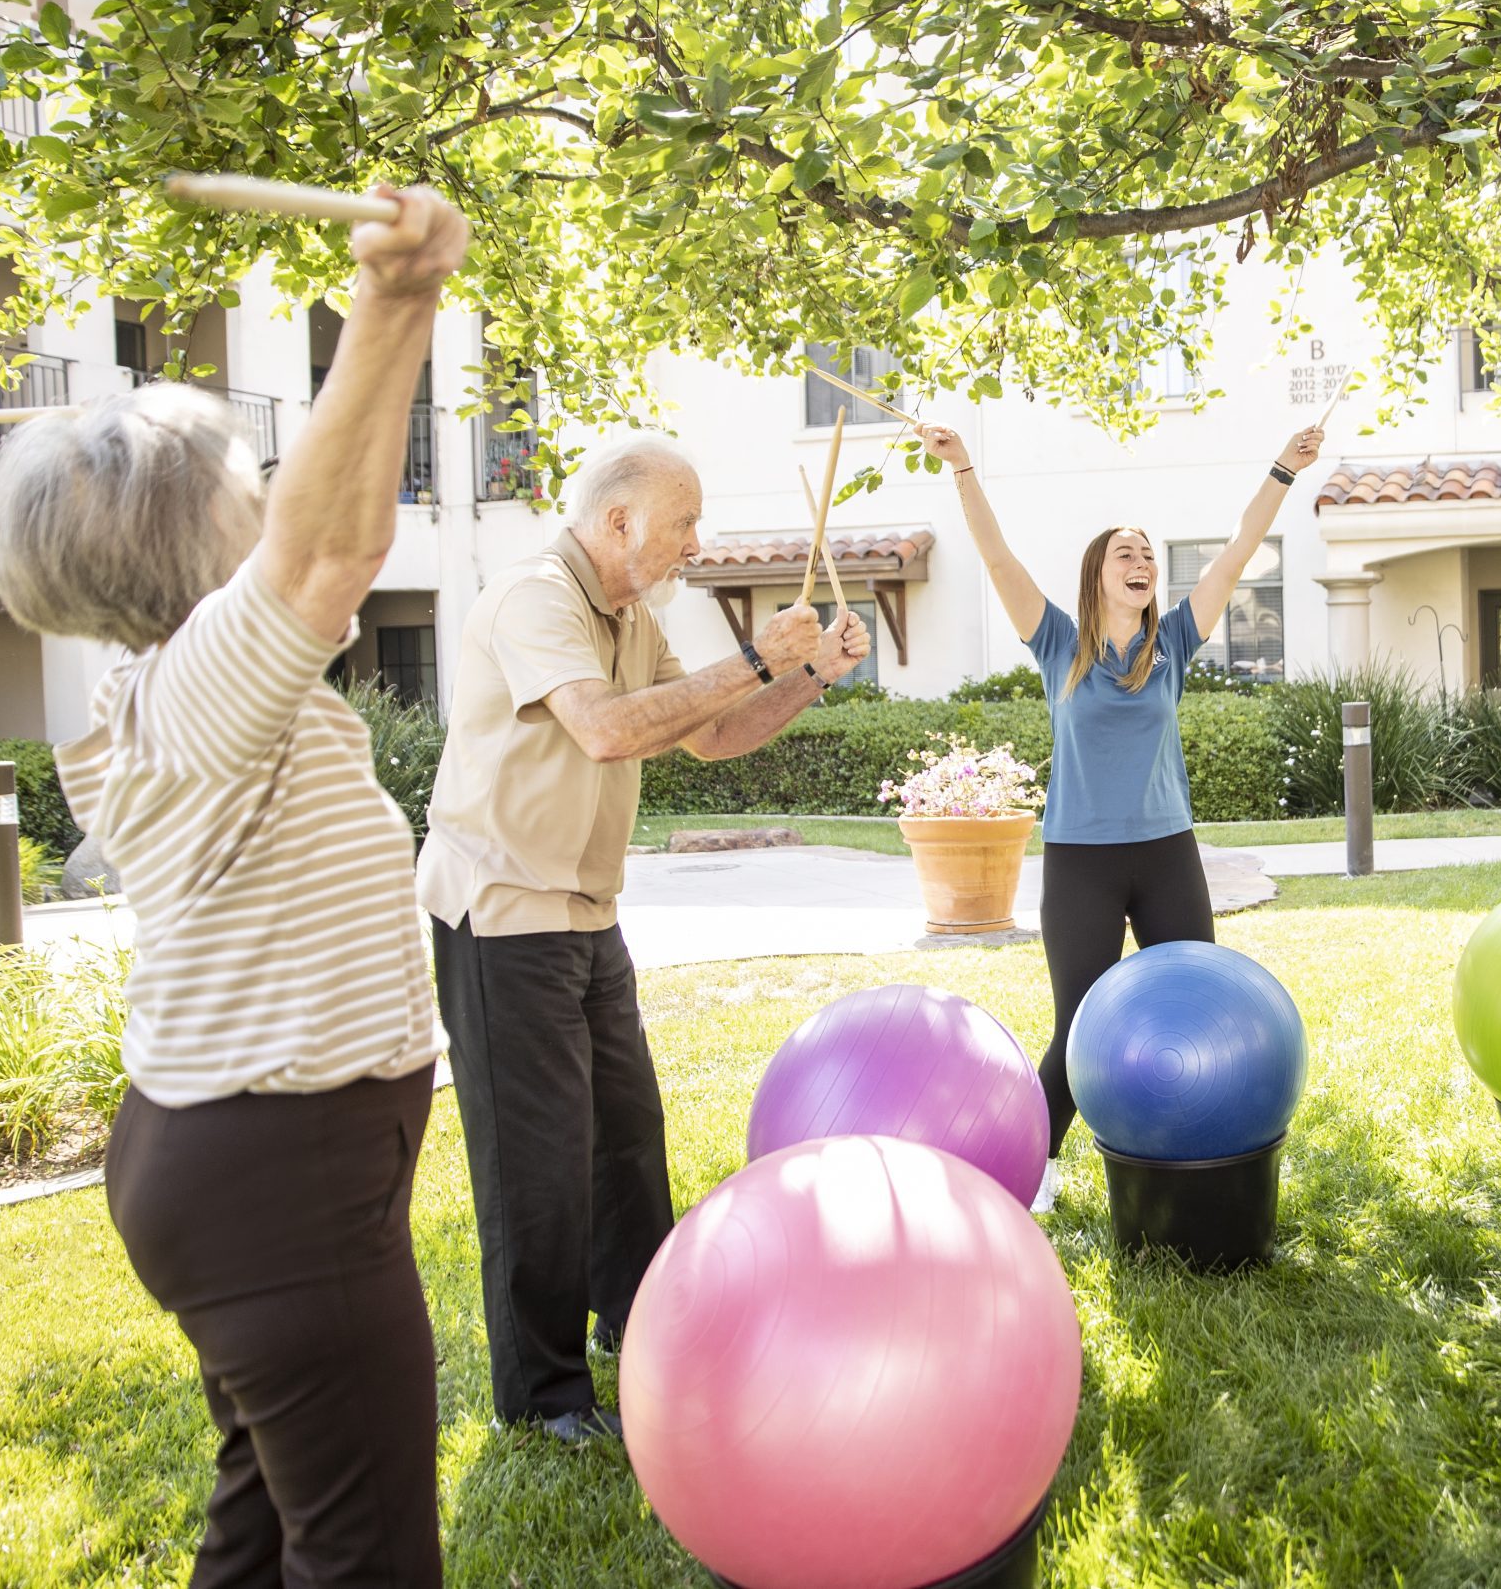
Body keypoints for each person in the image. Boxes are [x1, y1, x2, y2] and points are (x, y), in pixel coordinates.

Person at [0, 187, 467, 1584]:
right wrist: (384, 300)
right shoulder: (199, 692)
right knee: (367, 1554)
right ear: (193, 541)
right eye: (242, 477)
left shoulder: (166, 685)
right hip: (276, 1170)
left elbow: (333, 535)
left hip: (252, 1156)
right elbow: (332, 549)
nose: (268, 486)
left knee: (265, 1518)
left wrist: (418, 306)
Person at [417, 437, 871, 1442]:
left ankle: (642, 1324)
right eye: (683, 523)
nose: (694, 544)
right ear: (618, 521)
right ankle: (542, 1399)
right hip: (501, 914)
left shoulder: (630, 611)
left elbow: (706, 733)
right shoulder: (536, 596)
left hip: (586, 913)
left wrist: (809, 677)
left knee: (625, 1139)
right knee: (533, 1164)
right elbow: (607, 729)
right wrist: (758, 653)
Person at [933, 418, 1324, 1209]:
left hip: (1166, 854)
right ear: (1098, 575)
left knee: (1194, 1006)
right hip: (1081, 859)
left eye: (1149, 554)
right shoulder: (1056, 643)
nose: (1143, 562)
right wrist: (964, 466)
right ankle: (1027, 1171)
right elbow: (998, 557)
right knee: (1082, 1023)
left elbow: (1239, 552)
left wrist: (1283, 466)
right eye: (1127, 552)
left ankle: (1197, 1153)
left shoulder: (1174, 642)